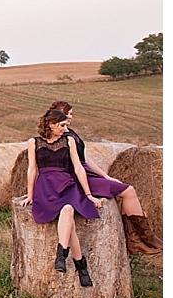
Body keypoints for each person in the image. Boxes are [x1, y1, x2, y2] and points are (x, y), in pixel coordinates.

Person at [48, 100, 162, 255]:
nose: (70, 117)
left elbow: (85, 158)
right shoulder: (61, 138)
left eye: (70, 114)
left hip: (86, 172)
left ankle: (137, 240)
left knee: (126, 190)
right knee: (128, 191)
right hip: (78, 178)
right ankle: (143, 239)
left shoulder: (69, 133)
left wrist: (106, 176)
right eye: (67, 114)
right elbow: (72, 165)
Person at [18, 109, 101, 287]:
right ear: (51, 124)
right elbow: (32, 169)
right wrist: (30, 194)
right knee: (69, 223)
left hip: (66, 184)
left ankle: (61, 254)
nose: (65, 128)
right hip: (46, 186)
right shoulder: (34, 142)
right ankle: (81, 265)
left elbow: (78, 168)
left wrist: (88, 195)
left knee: (69, 208)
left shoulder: (68, 140)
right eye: (62, 125)